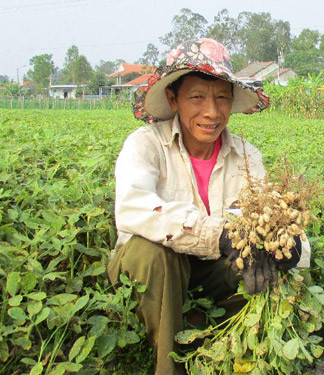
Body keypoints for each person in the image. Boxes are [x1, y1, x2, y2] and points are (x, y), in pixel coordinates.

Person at [106, 38, 310, 375]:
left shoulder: (247, 156)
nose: (211, 112)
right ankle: (170, 366)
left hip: (210, 270)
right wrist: (219, 235)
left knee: (262, 266)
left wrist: (289, 248)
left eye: (221, 98)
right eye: (197, 97)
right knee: (153, 254)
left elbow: (269, 221)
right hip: (151, 271)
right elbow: (133, 208)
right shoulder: (145, 144)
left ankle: (224, 350)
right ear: (173, 99)